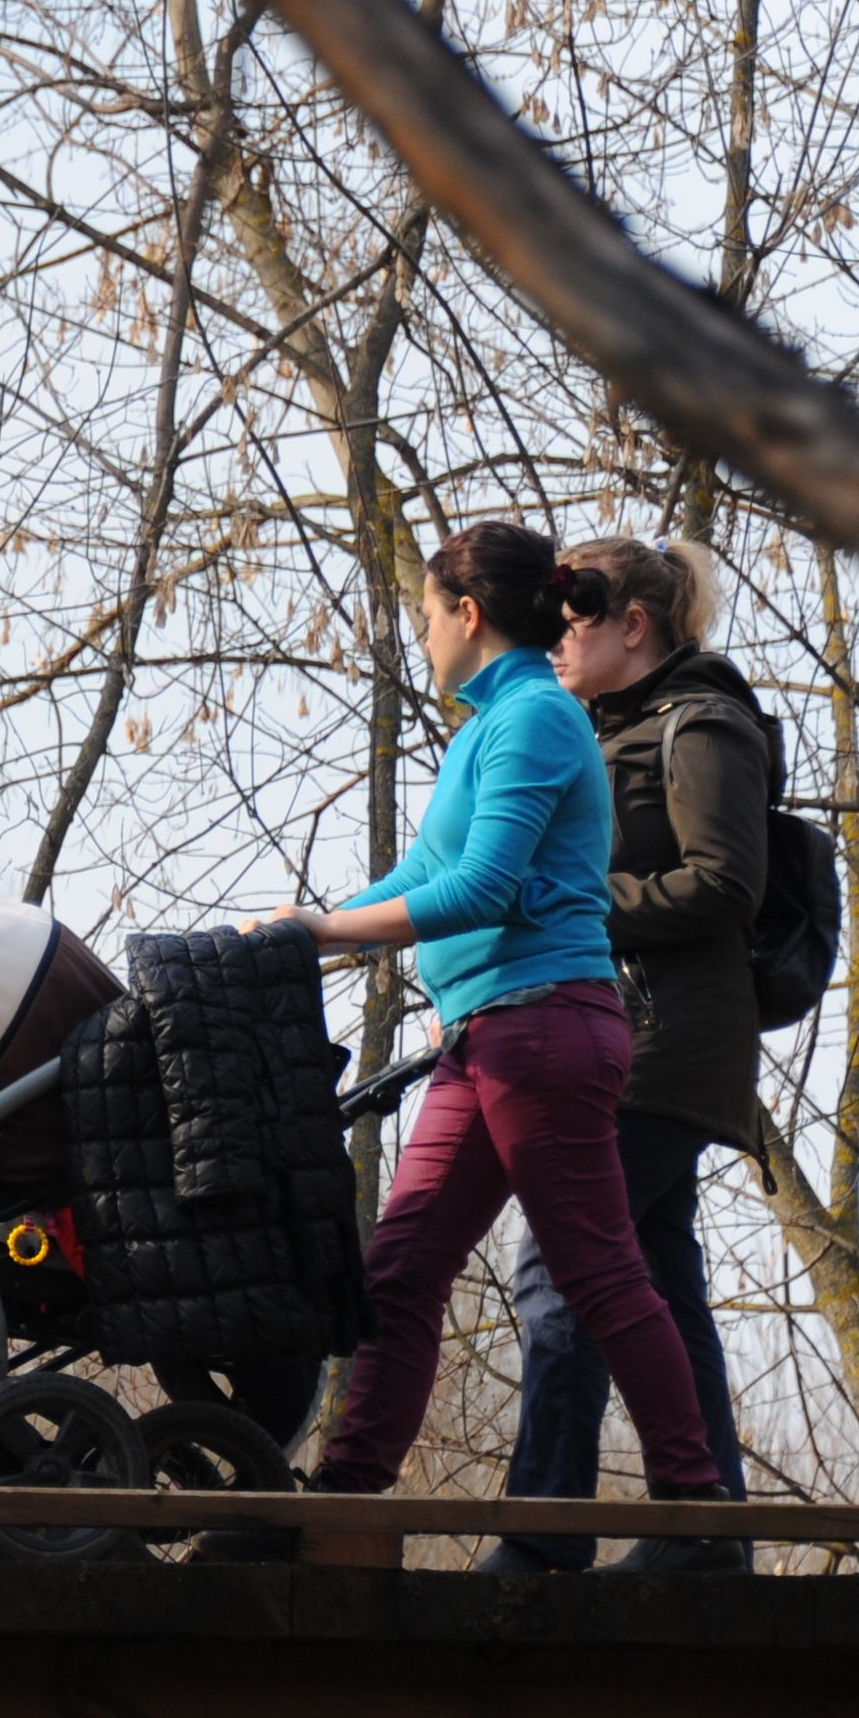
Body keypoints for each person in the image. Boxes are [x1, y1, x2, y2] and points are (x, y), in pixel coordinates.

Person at [249, 520, 734, 1535]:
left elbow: (480, 888)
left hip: (543, 1029)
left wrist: (323, 930)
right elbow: (423, 877)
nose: (421, 638)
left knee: (598, 1274)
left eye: (425, 618)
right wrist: (304, 931)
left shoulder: (537, 722)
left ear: (466, 615)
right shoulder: (487, 729)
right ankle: (344, 1499)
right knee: (402, 1266)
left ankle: (693, 1510)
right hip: (487, 1038)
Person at [484, 536, 777, 1575]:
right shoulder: (606, 730)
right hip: (630, 1037)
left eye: (568, 624)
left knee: (560, 1263)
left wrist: (576, 903)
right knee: (657, 1277)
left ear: (632, 627)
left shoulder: (700, 728)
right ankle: (707, 1534)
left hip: (668, 1043)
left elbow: (724, 884)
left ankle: (543, 1532)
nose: (553, 644)